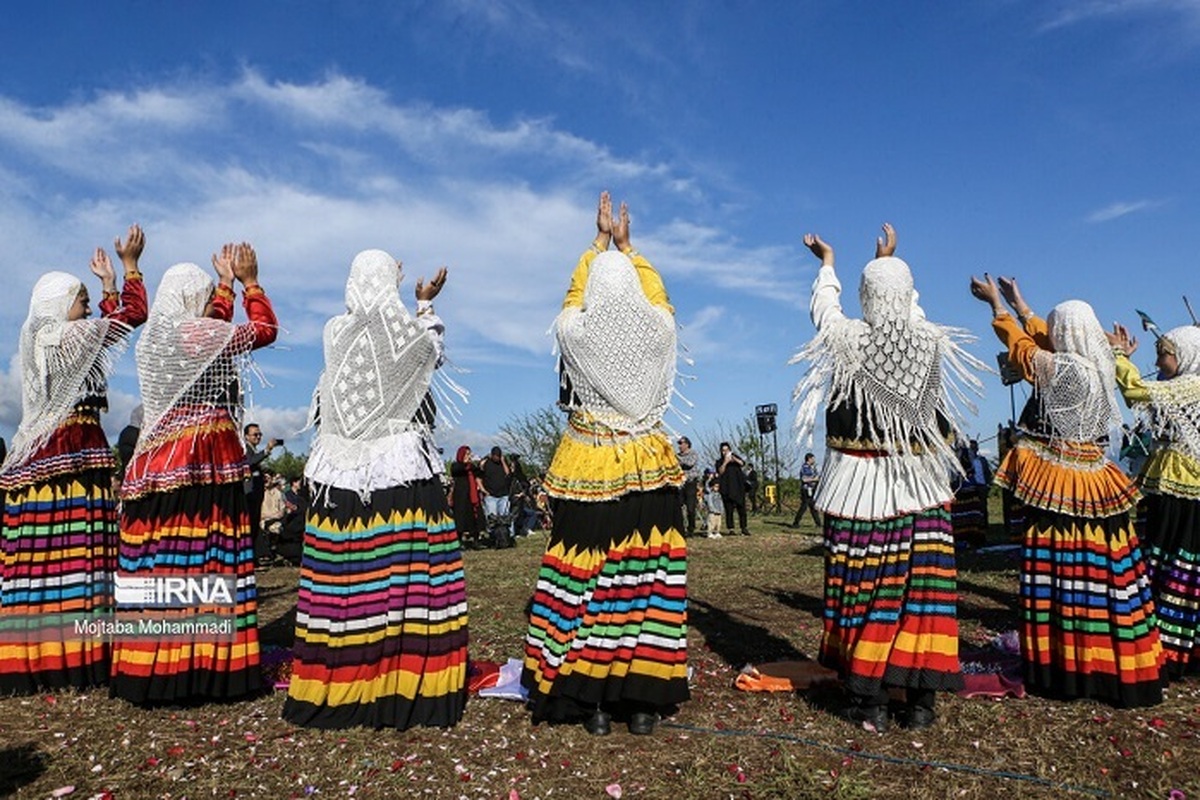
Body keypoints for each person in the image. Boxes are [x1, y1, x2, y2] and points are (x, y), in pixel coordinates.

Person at [792, 223, 985, 731]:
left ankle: (870, 697)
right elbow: (909, 313)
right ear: (909, 292)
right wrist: (893, 264)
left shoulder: (849, 340)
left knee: (866, 587)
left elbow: (825, 314)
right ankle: (921, 702)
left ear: (865, 296)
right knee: (921, 593)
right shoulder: (931, 341)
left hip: (861, 488)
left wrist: (828, 265)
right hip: (922, 485)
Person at [523, 192, 688, 736]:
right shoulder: (660, 328)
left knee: (585, 577)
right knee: (645, 580)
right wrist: (627, 246)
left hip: (588, 463)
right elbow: (659, 296)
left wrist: (596, 244)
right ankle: (641, 701)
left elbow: (573, 294)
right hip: (648, 465)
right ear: (638, 289)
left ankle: (589, 699)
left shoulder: (574, 330)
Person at [282, 249, 467, 730]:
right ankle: (403, 684)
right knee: (399, 582)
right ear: (390, 284)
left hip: (336, 476)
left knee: (342, 583)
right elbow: (431, 351)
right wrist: (423, 304)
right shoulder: (408, 332)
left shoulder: (332, 331)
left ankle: (339, 681)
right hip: (397, 471)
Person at [969, 273, 1162, 707]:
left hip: (1063, 479)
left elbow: (1023, 350)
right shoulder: (1101, 363)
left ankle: (1066, 664)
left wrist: (997, 305)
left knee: (1060, 570)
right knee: (1102, 573)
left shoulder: (1065, 370)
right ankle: (1109, 662)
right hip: (1097, 477)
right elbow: (1044, 337)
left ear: (1065, 336)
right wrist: (1022, 305)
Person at [112, 242, 277, 705]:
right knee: (207, 558)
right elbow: (263, 330)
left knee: (160, 562)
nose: (210, 307)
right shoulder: (196, 334)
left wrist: (220, 287)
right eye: (204, 298)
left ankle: (152, 666)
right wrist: (248, 283)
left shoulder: (152, 341)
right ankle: (206, 665)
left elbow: (211, 327)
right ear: (191, 301)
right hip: (203, 458)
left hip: (154, 460)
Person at [0, 226, 148, 694]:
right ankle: (77, 654)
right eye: (80, 300)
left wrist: (103, 287)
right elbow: (133, 314)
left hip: (40, 456)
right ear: (59, 304)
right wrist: (124, 271)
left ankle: (33, 654)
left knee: (39, 559)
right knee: (76, 552)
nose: (86, 309)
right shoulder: (67, 339)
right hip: (73, 457)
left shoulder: (35, 340)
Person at [1110, 322, 1200, 678]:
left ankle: (1172, 648)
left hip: (1185, 489)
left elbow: (1135, 391)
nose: (1159, 361)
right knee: (1167, 560)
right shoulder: (1180, 386)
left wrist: (1118, 357)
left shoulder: (1192, 385)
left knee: (1177, 561)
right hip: (1171, 486)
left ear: (1186, 356)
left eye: (1165, 354)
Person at [243, 423, 281, 565]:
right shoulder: (245, 449)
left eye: (260, 434)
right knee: (250, 525)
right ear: (247, 436)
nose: (258, 437)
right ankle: (249, 558)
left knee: (254, 525)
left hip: (257, 494)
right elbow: (249, 462)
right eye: (255, 434)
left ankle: (252, 557)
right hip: (250, 493)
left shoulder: (253, 449)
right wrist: (267, 450)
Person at [450, 445, 487, 549]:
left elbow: (480, 473)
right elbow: (457, 470)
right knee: (461, 520)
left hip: (472, 497)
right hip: (461, 497)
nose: (468, 456)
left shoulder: (472, 467)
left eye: (469, 454)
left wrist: (481, 465)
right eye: (466, 454)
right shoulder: (456, 465)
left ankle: (476, 541)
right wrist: (467, 464)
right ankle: (459, 541)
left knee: (475, 518)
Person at [715, 443, 749, 535]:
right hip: (726, 488)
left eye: (727, 450)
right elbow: (720, 471)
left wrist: (734, 459)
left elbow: (742, 463)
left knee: (741, 509)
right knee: (729, 509)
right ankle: (731, 528)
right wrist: (725, 462)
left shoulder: (735, 458)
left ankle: (744, 528)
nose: (725, 452)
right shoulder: (719, 461)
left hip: (738, 487)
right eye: (723, 450)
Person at [676, 436, 702, 536]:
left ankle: (691, 528)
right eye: (678, 443)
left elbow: (689, 464)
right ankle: (680, 527)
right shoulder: (677, 455)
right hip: (680, 484)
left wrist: (678, 460)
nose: (680, 445)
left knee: (691, 507)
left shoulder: (693, 453)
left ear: (687, 444)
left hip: (691, 482)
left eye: (681, 443)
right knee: (679, 506)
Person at [790, 452, 821, 528]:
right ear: (809, 459)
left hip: (812, 489)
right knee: (803, 507)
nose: (814, 460)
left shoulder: (812, 467)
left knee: (813, 507)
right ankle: (796, 523)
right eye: (813, 459)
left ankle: (818, 523)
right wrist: (814, 479)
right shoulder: (805, 468)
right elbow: (804, 479)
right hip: (806, 490)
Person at [703, 472, 724, 538]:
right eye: (716, 486)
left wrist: (722, 509)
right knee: (711, 522)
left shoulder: (719, 494)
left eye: (718, 487)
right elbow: (707, 486)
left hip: (719, 511)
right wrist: (709, 479)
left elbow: (721, 502)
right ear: (712, 487)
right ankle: (710, 533)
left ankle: (717, 532)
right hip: (712, 511)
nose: (717, 488)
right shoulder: (710, 494)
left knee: (718, 523)